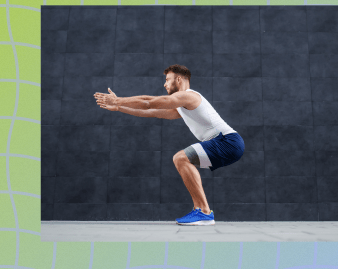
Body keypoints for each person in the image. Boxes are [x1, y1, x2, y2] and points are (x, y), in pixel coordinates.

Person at [94, 64, 245, 226]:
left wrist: (118, 99)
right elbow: (151, 111)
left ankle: (203, 212)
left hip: (228, 141)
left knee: (181, 158)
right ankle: (202, 211)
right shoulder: (182, 105)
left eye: (167, 80)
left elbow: (149, 103)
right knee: (182, 159)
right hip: (228, 144)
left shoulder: (189, 96)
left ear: (179, 79)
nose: (164, 84)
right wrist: (119, 107)